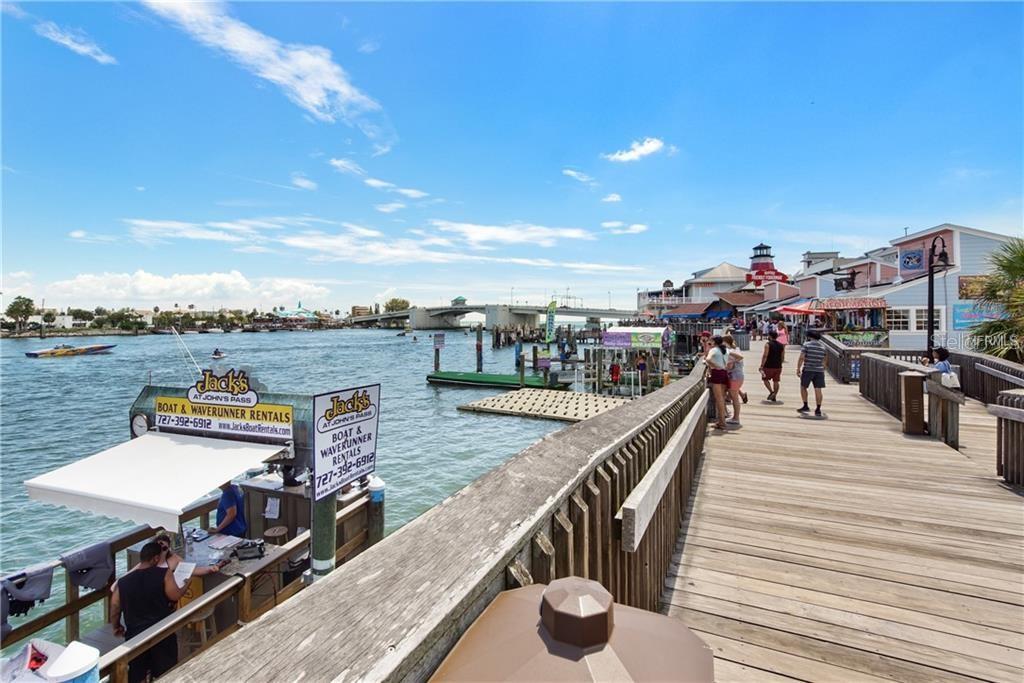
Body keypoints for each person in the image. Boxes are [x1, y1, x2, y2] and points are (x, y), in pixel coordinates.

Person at [110, 542, 191, 682]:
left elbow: (115, 606)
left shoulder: (123, 582)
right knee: (166, 674)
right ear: (155, 559)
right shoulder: (163, 574)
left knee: (137, 674)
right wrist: (187, 583)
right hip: (162, 632)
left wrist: (116, 626)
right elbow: (175, 595)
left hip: (135, 637)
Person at [796, 329, 827, 417]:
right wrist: (823, 368)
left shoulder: (807, 345)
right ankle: (818, 409)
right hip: (819, 370)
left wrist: (798, 368)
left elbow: (802, 357)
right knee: (818, 389)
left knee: (803, 387)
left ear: (809, 337)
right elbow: (825, 359)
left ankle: (805, 405)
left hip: (808, 369)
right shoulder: (823, 346)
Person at [705, 335, 731, 430]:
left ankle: (722, 422)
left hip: (717, 373)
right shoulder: (726, 350)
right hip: (724, 373)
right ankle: (721, 421)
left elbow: (708, 359)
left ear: (714, 342)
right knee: (722, 398)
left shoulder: (714, 350)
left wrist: (716, 365)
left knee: (718, 399)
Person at [723, 335, 746, 425]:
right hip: (739, 376)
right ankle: (735, 417)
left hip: (734, 377)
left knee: (735, 398)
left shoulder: (730, 352)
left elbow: (729, 367)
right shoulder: (736, 349)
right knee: (734, 397)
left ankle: (736, 418)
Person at [759, 330, 785, 401]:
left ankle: (771, 392)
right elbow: (782, 357)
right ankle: (774, 395)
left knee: (765, 379)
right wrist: (780, 363)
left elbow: (765, 356)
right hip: (778, 366)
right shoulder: (781, 345)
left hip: (768, 365)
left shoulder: (768, 344)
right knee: (776, 381)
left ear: (770, 336)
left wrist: (761, 365)